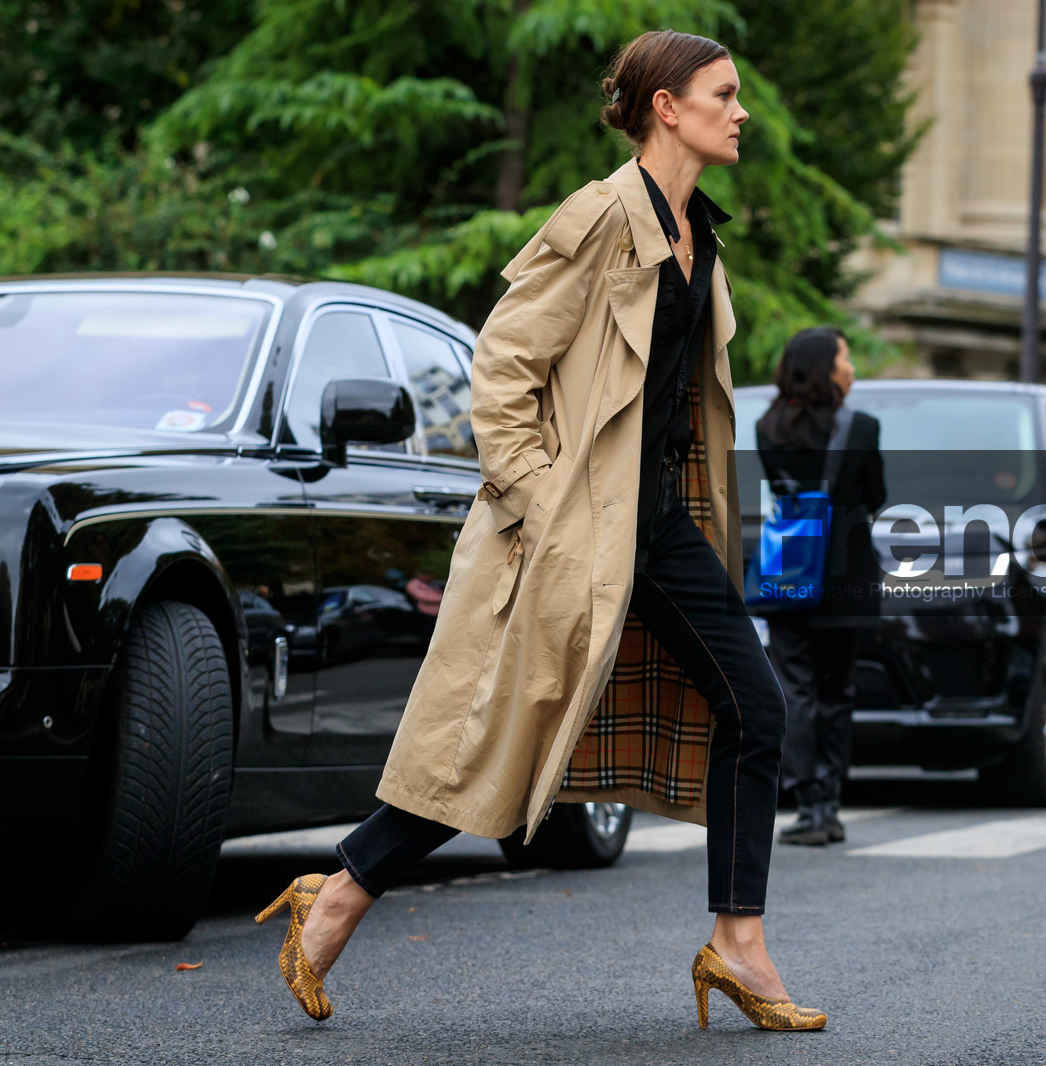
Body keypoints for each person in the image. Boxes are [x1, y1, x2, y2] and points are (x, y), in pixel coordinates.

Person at [253, 31, 826, 1032]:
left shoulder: (698, 229)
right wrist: (533, 504)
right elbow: (503, 367)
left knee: (755, 706)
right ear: (665, 107)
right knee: (502, 737)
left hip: (654, 522)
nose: (741, 113)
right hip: (574, 527)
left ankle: (737, 943)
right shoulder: (602, 219)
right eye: (722, 95)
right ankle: (337, 893)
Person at [755, 327, 885, 846]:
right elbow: (876, 495)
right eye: (844, 359)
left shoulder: (769, 426)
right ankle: (829, 805)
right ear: (824, 369)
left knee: (795, 688)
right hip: (845, 575)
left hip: (790, 567)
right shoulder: (863, 427)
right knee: (837, 689)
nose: (850, 368)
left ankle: (805, 802)